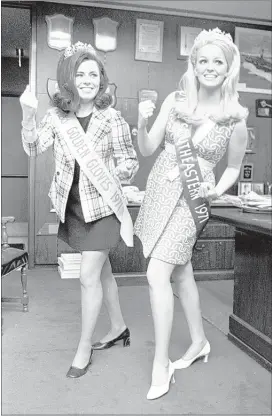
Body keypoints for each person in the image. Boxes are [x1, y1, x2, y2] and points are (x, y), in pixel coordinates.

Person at [134, 28, 248, 400]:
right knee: (181, 273)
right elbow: (149, 147)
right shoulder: (177, 101)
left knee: (157, 272)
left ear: (229, 67)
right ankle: (199, 342)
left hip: (190, 198)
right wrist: (141, 121)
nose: (210, 67)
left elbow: (232, 167)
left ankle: (160, 363)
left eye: (218, 61)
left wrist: (218, 188)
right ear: (194, 65)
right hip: (160, 191)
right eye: (204, 61)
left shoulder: (235, 119)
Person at [19, 41, 139, 378]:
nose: (87, 79)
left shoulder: (111, 117)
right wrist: (28, 115)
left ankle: (83, 346)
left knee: (88, 276)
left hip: (103, 208)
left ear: (101, 79)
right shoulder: (58, 116)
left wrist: (118, 172)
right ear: (69, 79)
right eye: (80, 73)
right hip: (72, 208)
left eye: (93, 74)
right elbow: (33, 148)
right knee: (103, 273)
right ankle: (118, 327)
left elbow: (129, 161)